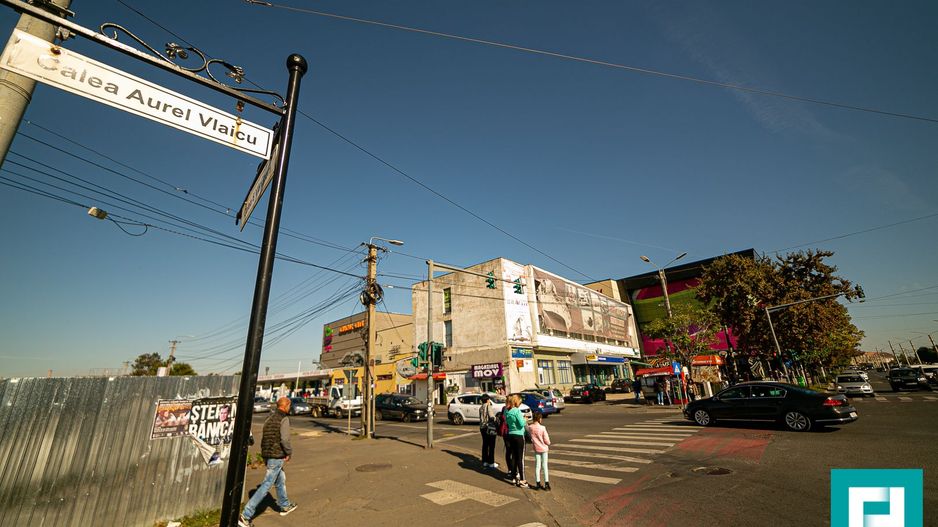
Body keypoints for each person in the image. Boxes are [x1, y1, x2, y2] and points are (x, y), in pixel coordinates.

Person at [240, 397, 298, 527]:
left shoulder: (269, 418)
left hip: (267, 454)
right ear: (286, 405)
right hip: (276, 456)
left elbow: (264, 437)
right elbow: (285, 440)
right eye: (289, 405)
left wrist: (264, 455)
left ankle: (284, 505)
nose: (289, 407)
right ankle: (245, 515)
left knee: (280, 479)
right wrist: (288, 452)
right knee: (266, 485)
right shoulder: (284, 419)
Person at [505, 394, 529, 488]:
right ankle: (523, 480)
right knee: (520, 458)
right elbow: (522, 423)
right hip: (519, 435)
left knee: (514, 457)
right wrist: (525, 419)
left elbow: (507, 423)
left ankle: (514, 477)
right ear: (516, 402)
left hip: (511, 434)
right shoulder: (517, 411)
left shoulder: (508, 411)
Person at [528, 412, 551, 490]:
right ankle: (546, 484)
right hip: (544, 449)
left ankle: (537, 483)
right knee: (545, 466)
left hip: (536, 449)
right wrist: (548, 443)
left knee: (538, 466)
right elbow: (547, 440)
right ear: (539, 419)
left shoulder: (530, 427)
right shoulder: (542, 428)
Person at [479, 394, 498, 468]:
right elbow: (491, 417)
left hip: (482, 427)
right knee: (491, 445)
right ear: (487, 400)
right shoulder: (488, 406)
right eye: (489, 399)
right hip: (488, 428)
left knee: (485, 444)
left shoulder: (480, 408)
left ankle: (485, 461)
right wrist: (496, 419)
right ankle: (491, 462)